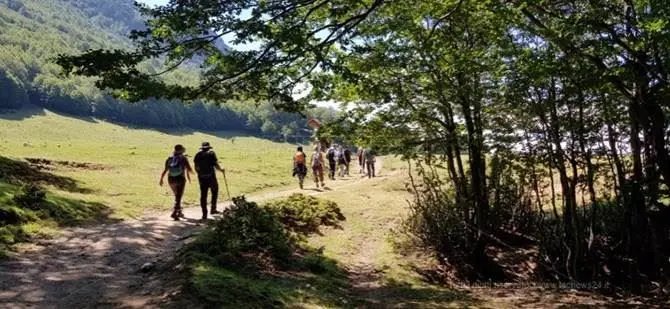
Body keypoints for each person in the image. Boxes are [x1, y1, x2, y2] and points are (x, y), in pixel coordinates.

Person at [159, 144, 193, 220]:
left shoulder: (169, 158)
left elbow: (165, 170)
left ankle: (179, 211)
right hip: (180, 179)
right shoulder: (183, 158)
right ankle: (175, 212)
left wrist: (161, 179)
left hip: (171, 179)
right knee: (178, 196)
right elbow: (189, 169)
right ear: (181, 150)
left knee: (177, 196)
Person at [194, 142, 225, 221]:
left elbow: (196, 167)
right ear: (209, 148)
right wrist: (221, 170)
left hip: (201, 178)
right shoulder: (211, 154)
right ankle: (213, 209)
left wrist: (200, 174)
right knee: (214, 191)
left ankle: (204, 214)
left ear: (202, 148)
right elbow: (216, 165)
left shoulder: (197, 155)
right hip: (211, 177)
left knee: (203, 195)